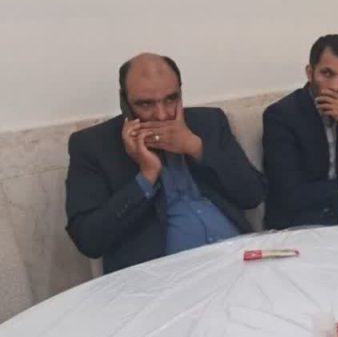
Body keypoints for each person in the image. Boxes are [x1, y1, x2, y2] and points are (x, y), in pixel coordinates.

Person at [65, 53, 265, 273]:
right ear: (125, 103)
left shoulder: (208, 122)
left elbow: (253, 195)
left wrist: (197, 149)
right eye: (146, 104)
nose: (162, 115)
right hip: (163, 278)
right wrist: (146, 176)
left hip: (239, 259)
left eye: (171, 99)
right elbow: (89, 240)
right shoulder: (94, 145)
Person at [262, 35, 338, 229]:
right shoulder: (281, 116)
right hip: (300, 222)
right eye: (327, 74)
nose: (335, 87)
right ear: (310, 72)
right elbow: (289, 194)